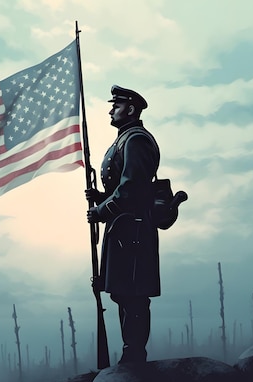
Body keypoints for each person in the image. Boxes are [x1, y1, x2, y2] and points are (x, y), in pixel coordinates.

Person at [86, 85, 161, 364]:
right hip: (123, 228)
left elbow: (132, 188)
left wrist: (102, 210)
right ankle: (131, 352)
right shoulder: (125, 139)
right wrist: (101, 197)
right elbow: (121, 186)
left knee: (134, 294)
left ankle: (134, 353)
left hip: (134, 230)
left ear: (130, 109)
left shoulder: (137, 140)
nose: (110, 109)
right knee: (122, 293)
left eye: (115, 105)